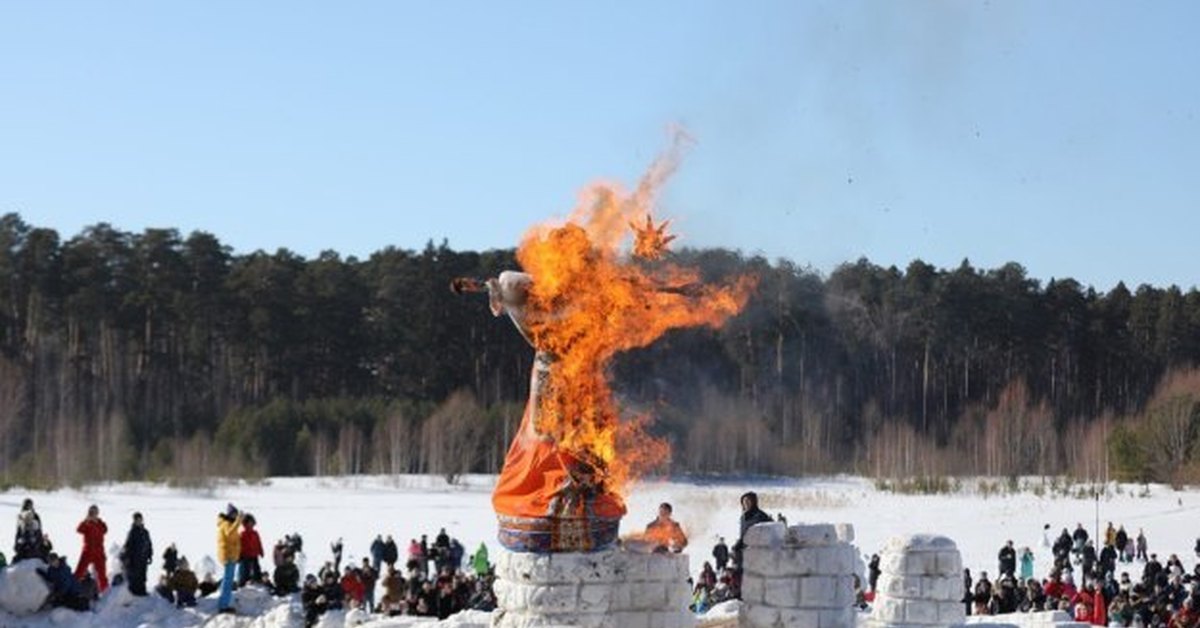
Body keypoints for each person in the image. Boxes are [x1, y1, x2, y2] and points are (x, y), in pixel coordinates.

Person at [734, 492, 772, 571]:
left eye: (748, 501)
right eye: (744, 501)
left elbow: (769, 532)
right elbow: (743, 534)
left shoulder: (761, 516)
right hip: (745, 551)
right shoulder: (743, 518)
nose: (746, 503)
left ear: (754, 502)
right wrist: (738, 545)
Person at [217, 503, 244, 614]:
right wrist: (238, 521)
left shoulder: (228, 523)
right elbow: (230, 533)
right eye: (234, 514)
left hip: (231, 556)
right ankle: (223, 605)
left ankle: (223, 602)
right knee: (228, 581)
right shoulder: (227, 524)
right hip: (228, 556)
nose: (235, 516)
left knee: (228, 580)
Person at [74, 504, 109, 592]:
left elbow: (105, 530)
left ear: (98, 513)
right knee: (79, 572)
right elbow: (78, 530)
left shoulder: (101, 523)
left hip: (99, 552)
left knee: (102, 575)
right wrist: (86, 520)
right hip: (88, 551)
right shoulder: (87, 523)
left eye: (95, 512)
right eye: (92, 512)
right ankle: (73, 590)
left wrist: (97, 521)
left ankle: (105, 593)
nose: (94, 514)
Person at [121, 512, 153, 596]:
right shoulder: (132, 532)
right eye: (137, 520)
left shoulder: (145, 532)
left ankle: (142, 590)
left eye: (140, 519)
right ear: (134, 521)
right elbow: (128, 545)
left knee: (143, 575)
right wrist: (127, 557)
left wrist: (150, 555)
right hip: (135, 557)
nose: (139, 521)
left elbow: (149, 544)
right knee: (136, 575)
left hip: (144, 557)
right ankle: (135, 591)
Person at [14, 498, 49, 562]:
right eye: (27, 504)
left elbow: (39, 529)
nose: (29, 506)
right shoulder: (20, 516)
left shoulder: (35, 516)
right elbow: (19, 532)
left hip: (35, 542)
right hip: (24, 542)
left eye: (30, 505)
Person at [238, 513, 264, 587]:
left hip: (254, 554)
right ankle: (242, 583)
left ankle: (258, 580)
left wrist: (261, 551)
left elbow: (259, 543)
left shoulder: (255, 533)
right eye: (249, 522)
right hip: (245, 555)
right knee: (245, 570)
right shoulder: (243, 534)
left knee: (256, 568)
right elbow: (240, 545)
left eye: (252, 522)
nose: (251, 524)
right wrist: (240, 555)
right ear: (245, 523)